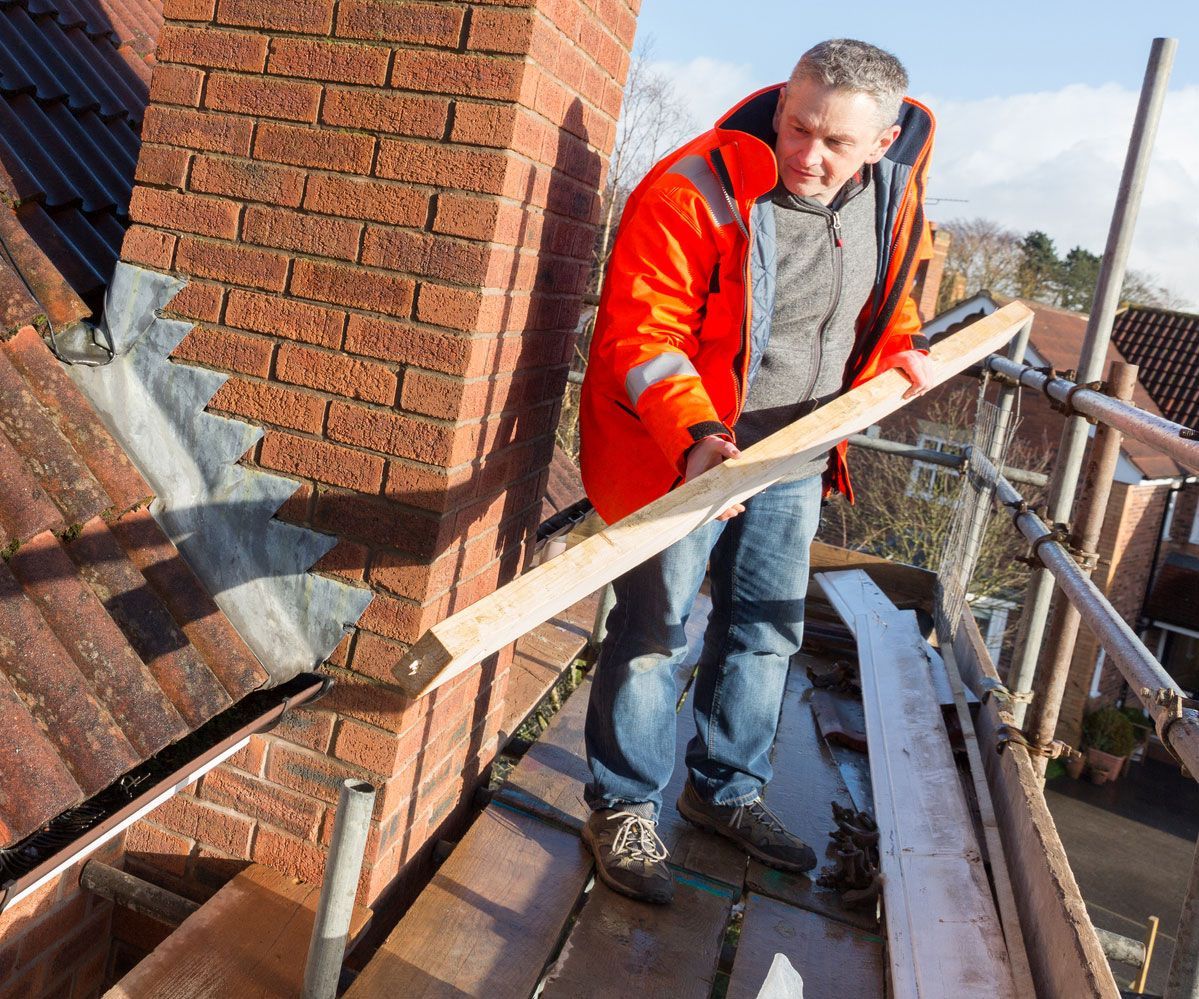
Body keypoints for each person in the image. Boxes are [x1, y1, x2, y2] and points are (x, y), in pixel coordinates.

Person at [576, 39, 936, 904]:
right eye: (796, 127)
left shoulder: (895, 193)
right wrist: (696, 438)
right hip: (687, 456)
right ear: (782, 106)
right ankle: (622, 805)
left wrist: (903, 351)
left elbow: (887, 297)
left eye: (835, 142)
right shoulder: (693, 187)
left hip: (800, 455)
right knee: (654, 636)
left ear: (882, 141)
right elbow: (641, 332)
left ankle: (723, 790)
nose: (808, 156)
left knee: (766, 630)